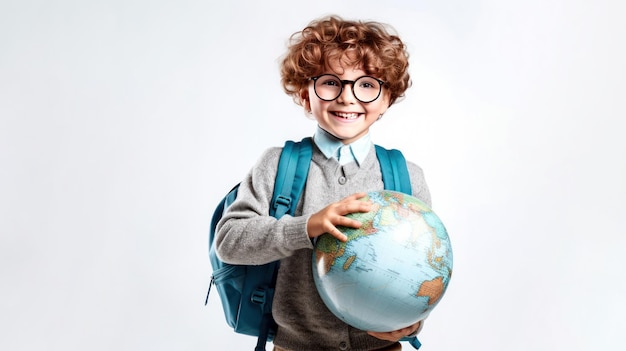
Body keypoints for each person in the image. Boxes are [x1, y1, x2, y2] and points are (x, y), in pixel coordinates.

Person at [215, 15, 431, 351]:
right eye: (330, 82)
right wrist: (307, 227)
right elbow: (228, 241)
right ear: (305, 94)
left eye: (367, 84)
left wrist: (410, 323)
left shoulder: (406, 176)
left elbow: (422, 270)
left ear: (387, 98)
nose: (347, 97)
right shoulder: (277, 164)